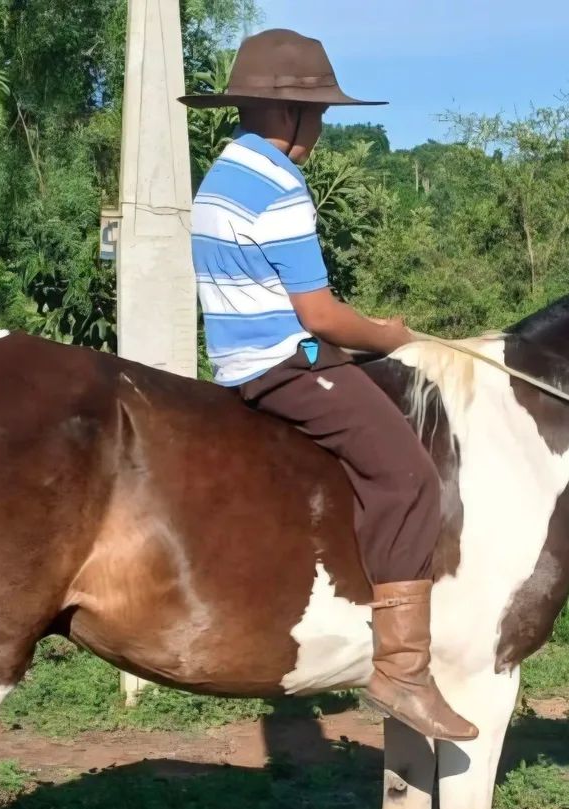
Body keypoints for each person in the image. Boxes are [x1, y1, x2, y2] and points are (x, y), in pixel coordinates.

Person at [180, 29, 477, 742]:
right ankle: (402, 669)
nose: (319, 130)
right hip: (286, 364)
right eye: (317, 116)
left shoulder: (221, 175)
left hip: (235, 362)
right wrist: (391, 337)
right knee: (410, 477)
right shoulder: (281, 186)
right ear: (288, 115)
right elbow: (317, 317)